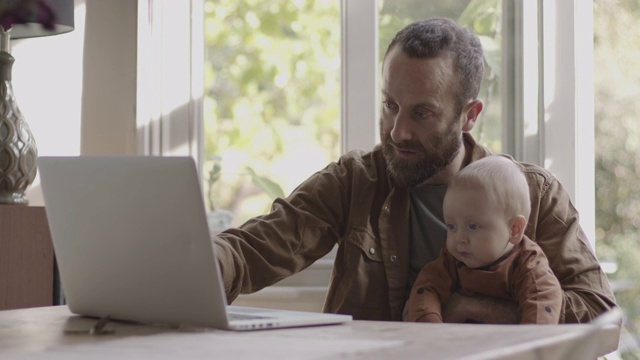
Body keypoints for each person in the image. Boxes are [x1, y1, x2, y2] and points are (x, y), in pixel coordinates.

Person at [213, 17, 616, 323]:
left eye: (422, 113)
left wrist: (468, 309)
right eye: (390, 105)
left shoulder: (535, 194)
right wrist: (200, 262)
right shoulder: (355, 180)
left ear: (469, 115)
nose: (398, 131)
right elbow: (252, 250)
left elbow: (599, 312)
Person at [403, 156, 562, 324]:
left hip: (507, 346)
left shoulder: (527, 264)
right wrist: (431, 328)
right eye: (451, 226)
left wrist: (531, 346)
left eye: (473, 226)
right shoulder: (452, 259)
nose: (459, 239)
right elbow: (427, 287)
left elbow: (542, 303)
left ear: (514, 229)